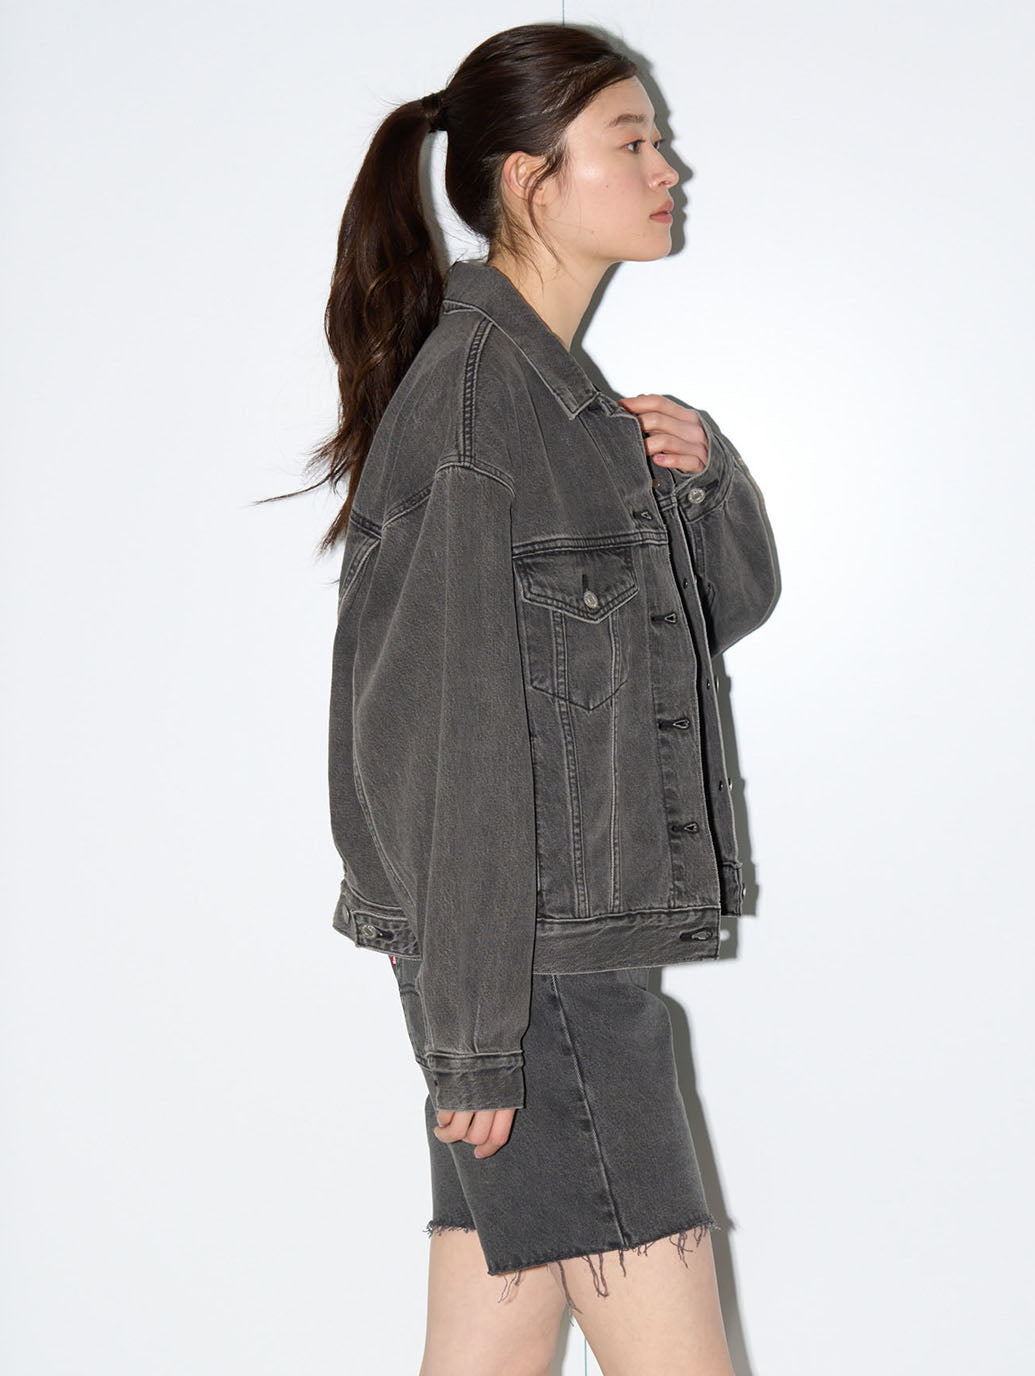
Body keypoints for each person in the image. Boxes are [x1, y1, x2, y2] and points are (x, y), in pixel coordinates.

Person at [298, 21, 779, 1376]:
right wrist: (473, 1040)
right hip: (535, 979)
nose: (667, 167)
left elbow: (715, 620)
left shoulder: (563, 405)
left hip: (543, 965)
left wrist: (706, 480)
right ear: (529, 179)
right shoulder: (476, 413)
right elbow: (439, 743)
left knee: (490, 1347)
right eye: (632, 140)